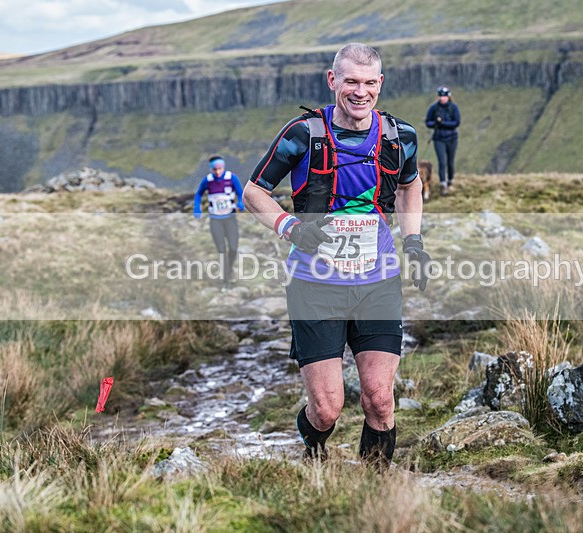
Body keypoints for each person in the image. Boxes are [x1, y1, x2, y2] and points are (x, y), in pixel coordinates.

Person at [243, 42, 430, 467]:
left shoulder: (400, 136)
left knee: (380, 400)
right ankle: (313, 448)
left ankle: (374, 491)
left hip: (377, 283)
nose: (359, 91)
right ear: (333, 81)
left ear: (380, 85)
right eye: (350, 81)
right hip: (315, 286)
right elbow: (253, 191)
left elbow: (409, 185)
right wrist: (289, 228)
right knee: (327, 409)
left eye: (368, 83)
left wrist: (413, 241)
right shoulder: (301, 134)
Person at [193, 155, 244, 289]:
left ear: (223, 167)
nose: (217, 172)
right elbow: (198, 194)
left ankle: (229, 268)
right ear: (211, 169)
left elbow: (240, 193)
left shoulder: (232, 178)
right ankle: (225, 281)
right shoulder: (207, 180)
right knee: (221, 250)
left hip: (230, 219)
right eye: (215, 169)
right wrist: (196, 208)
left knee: (233, 248)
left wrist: (240, 202)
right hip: (215, 220)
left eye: (220, 168)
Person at [425, 86, 460, 195]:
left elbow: (456, 122)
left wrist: (443, 123)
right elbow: (428, 122)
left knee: (450, 161)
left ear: (448, 97)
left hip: (452, 138)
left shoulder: (453, 108)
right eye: (440, 96)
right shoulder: (434, 108)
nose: (442, 98)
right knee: (442, 162)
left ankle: (450, 180)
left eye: (444, 96)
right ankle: (443, 183)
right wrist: (435, 123)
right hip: (439, 139)